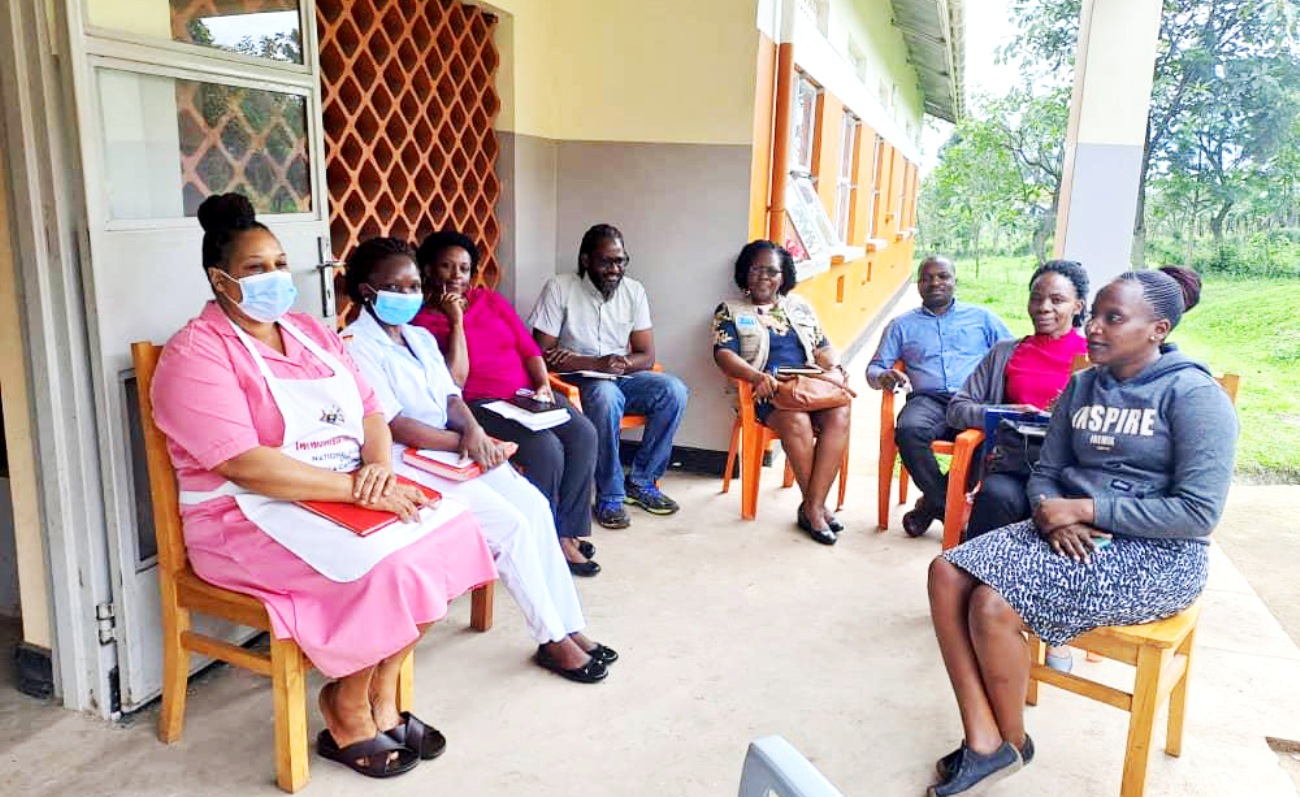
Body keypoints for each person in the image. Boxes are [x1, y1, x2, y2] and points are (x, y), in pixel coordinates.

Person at [151, 194, 498, 779]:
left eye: (280, 264)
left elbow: (370, 414)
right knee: (383, 563)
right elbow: (245, 466)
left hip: (343, 491)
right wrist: (362, 491)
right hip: (244, 516)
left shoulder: (311, 331)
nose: (275, 278)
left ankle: (382, 694)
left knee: (453, 528)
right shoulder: (196, 353)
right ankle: (345, 705)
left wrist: (381, 470)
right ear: (220, 279)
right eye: (257, 269)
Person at [925, 267, 1236, 796]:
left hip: (1157, 555)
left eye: (1113, 318)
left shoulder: (1193, 395)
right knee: (946, 572)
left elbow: (1198, 513)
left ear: (1157, 328)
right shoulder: (1082, 385)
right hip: (1066, 526)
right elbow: (1046, 469)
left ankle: (1008, 743)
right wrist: (1047, 507)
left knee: (992, 605)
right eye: (1095, 315)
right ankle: (988, 739)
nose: (1093, 327)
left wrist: (1088, 508)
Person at [340, 236, 617, 687]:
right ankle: (550, 639)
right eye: (398, 287)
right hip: (409, 459)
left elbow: (452, 394)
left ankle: (569, 624)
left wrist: (473, 430)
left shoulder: (418, 337)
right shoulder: (354, 346)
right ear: (368, 292)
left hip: (450, 446)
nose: (409, 296)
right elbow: (394, 425)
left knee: (534, 507)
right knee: (510, 525)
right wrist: (465, 444)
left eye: (413, 287)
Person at [411, 230, 601, 577]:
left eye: (464, 269)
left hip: (526, 397)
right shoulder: (421, 322)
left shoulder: (492, 301)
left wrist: (543, 385)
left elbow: (530, 350)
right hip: (479, 405)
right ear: (427, 270)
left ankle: (565, 532)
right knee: (546, 450)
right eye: (446, 267)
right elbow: (455, 382)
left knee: (584, 434)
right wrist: (456, 321)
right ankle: (539, 537)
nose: (457, 276)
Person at [528, 223, 689, 530]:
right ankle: (610, 495)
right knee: (604, 395)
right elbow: (540, 353)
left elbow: (646, 355)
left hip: (621, 374)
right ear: (586, 260)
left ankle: (642, 482)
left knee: (673, 390)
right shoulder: (560, 288)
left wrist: (617, 364)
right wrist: (591, 362)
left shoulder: (634, 291)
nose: (615, 269)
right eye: (607, 261)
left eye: (621, 261)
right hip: (577, 380)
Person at [711, 240, 851, 545]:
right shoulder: (730, 311)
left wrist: (835, 367)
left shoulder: (799, 306)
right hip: (765, 392)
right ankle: (816, 509)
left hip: (807, 386)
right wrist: (755, 375)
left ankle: (812, 505)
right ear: (745, 274)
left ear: (783, 276)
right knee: (795, 420)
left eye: (772, 271)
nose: (764, 276)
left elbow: (823, 346)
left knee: (840, 412)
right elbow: (724, 354)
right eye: (757, 269)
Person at [867, 255, 1012, 537]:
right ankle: (950, 508)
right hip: (928, 400)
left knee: (991, 438)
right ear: (918, 285)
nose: (935, 282)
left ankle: (929, 507)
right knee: (908, 430)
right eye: (927, 277)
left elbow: (1012, 354)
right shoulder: (901, 325)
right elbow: (875, 367)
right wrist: (883, 376)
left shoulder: (983, 319)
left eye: (943, 276)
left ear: (955, 281)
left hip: (972, 399)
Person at [947, 260, 1090, 539]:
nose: (1043, 307)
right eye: (1036, 298)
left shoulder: (1093, 360)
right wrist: (1004, 412)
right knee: (996, 497)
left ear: (1078, 307)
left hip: (1069, 473)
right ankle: (977, 576)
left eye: (1057, 300)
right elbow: (957, 409)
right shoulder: (1006, 352)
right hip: (1015, 464)